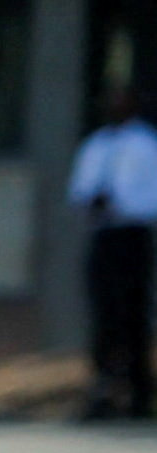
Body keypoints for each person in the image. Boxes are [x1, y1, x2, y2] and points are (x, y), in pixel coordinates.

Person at [73, 84, 157, 419]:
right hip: (102, 234)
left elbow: (151, 197)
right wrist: (91, 200)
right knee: (104, 315)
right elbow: (78, 189)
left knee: (133, 314)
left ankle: (139, 393)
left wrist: (120, 203)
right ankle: (103, 389)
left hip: (133, 236)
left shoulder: (146, 144)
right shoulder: (96, 145)